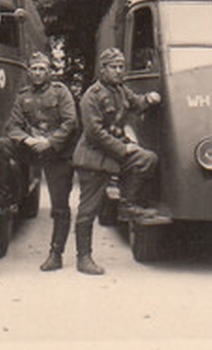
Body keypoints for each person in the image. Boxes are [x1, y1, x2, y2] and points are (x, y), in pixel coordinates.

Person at [71, 47, 161, 275]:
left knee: (146, 159)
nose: (119, 71)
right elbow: (95, 133)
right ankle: (83, 257)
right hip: (93, 158)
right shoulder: (91, 96)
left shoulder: (120, 90)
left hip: (113, 154)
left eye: (121, 67)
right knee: (88, 210)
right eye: (113, 67)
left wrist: (150, 99)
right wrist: (123, 148)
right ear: (102, 69)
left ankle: (127, 204)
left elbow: (137, 103)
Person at [0, 52, 78, 271]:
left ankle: (56, 253)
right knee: (1, 145)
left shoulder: (61, 92)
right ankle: (10, 194)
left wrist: (49, 142)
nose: (38, 73)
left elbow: (70, 123)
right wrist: (27, 140)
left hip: (57, 153)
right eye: (34, 69)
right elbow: (13, 126)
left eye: (42, 69)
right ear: (29, 72)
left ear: (49, 72)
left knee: (60, 206)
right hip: (33, 148)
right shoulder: (23, 95)